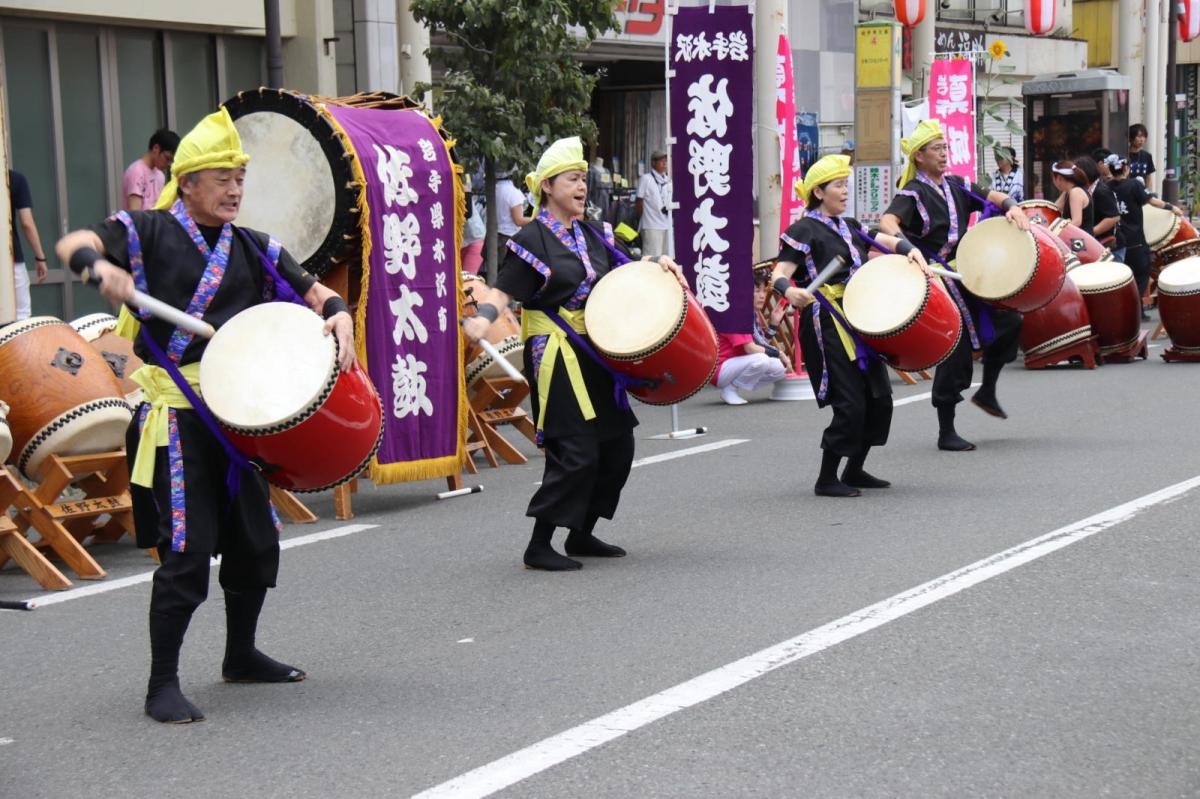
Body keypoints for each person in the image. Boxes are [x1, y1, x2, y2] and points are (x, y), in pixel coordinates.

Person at [54, 108, 354, 725]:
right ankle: (160, 683)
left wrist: (338, 310)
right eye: (222, 178)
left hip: (238, 412)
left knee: (255, 541)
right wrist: (100, 268)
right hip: (178, 414)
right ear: (187, 182)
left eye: (240, 178)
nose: (235, 189)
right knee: (188, 553)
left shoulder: (255, 246)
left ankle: (240, 655)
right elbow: (71, 245)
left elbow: (314, 289)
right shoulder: (148, 232)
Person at [462, 136, 685, 571]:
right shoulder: (531, 238)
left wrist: (658, 262)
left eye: (584, 178)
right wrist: (483, 318)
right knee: (576, 449)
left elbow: (626, 265)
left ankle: (581, 533)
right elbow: (504, 290)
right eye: (573, 179)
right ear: (547, 186)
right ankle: (539, 544)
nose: (582, 186)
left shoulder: (592, 231)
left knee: (617, 444)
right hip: (557, 354)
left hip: (597, 349)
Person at [773, 154, 927, 496]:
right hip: (826, 319)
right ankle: (827, 478)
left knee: (879, 398)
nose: (845, 191)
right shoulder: (803, 229)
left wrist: (908, 249)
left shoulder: (849, 225)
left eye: (846, 184)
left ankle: (854, 469)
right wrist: (791, 291)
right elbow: (778, 274)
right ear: (818, 192)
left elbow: (882, 239)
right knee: (850, 403)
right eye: (839, 185)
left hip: (859, 316)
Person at [879, 119, 1029, 452]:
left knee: (1009, 321)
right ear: (919, 156)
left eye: (945, 147)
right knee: (954, 345)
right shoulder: (913, 193)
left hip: (963, 274)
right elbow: (887, 222)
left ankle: (987, 389)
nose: (944, 154)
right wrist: (907, 245)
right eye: (937, 149)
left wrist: (1013, 207)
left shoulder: (957, 185)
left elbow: (993, 195)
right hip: (932, 277)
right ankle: (946, 429)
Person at [1105, 153, 1184, 309]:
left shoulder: (1106, 187)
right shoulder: (1134, 185)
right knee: (1141, 273)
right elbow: (1153, 201)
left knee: (1121, 277)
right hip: (1135, 240)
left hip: (1114, 240)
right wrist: (1172, 207)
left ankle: (1128, 308)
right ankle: (1136, 308)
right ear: (1126, 168)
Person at [712, 268, 791, 406]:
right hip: (720, 369)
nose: (762, 296)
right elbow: (750, 349)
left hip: (738, 364)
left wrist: (773, 324)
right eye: (756, 291)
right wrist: (779, 353)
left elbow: (760, 345)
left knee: (779, 368)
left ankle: (734, 387)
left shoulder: (751, 314)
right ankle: (729, 389)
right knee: (762, 360)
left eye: (764, 291)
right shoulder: (736, 313)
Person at [8, 169, 48, 320]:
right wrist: (40, 257)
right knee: (21, 317)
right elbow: (27, 223)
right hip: (10, 259)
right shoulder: (15, 179)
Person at [123, 128, 180, 211]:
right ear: (156, 148)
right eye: (167, 158)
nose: (169, 164)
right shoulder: (136, 171)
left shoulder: (160, 175)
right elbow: (135, 213)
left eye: (172, 161)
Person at [1077, 154, 1121, 258]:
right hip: (1097, 243)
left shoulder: (1101, 191)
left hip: (1109, 246)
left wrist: (1090, 232)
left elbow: (1114, 217)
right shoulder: (1086, 189)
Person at [637, 149, 672, 260]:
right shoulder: (646, 178)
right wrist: (641, 219)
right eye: (661, 161)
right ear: (653, 163)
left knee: (666, 258)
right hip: (651, 225)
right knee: (652, 258)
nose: (664, 163)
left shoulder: (668, 180)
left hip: (667, 225)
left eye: (665, 161)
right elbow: (639, 201)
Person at [1051, 160, 1094, 236]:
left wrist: (1056, 232)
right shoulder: (1069, 191)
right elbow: (1053, 209)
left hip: (1082, 242)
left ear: (1059, 178)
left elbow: (1077, 222)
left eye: (1053, 178)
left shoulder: (1075, 192)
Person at [494, 172, 532, 255]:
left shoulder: (493, 189)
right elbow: (519, 221)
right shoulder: (513, 193)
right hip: (507, 236)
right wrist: (538, 219)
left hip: (493, 234)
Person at [1128, 123, 1156, 191]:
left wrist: (1149, 194)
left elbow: (1148, 178)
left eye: (1144, 136)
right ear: (1131, 138)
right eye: (1139, 136)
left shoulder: (1147, 156)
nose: (1142, 139)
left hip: (1142, 193)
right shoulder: (1124, 155)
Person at [587, 156, 614, 222]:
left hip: (606, 198)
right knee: (596, 216)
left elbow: (610, 186)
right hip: (595, 198)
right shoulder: (591, 171)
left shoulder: (607, 171)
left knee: (605, 217)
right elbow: (589, 186)